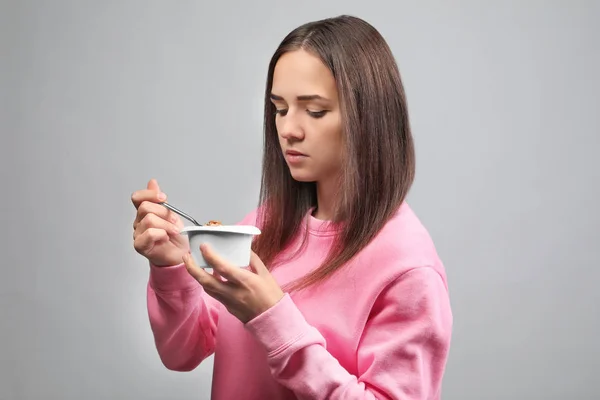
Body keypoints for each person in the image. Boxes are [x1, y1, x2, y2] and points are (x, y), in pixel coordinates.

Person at [131, 15, 453, 400]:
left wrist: (272, 318)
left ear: (370, 117)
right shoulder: (267, 223)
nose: (289, 130)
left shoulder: (407, 268)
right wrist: (168, 266)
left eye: (314, 111)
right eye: (280, 109)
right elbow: (181, 352)